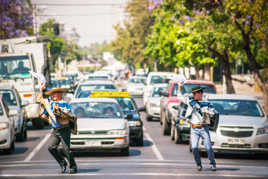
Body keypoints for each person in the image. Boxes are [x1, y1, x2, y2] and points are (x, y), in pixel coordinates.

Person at [38, 83, 77, 174]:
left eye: (56, 94)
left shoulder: (64, 103)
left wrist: (59, 110)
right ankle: (62, 162)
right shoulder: (50, 104)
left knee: (66, 149)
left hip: (64, 129)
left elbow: (68, 113)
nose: (54, 95)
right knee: (51, 147)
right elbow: (44, 110)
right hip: (55, 130)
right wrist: (43, 115)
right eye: (53, 94)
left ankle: (73, 167)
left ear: (59, 95)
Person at [186, 86, 216, 171]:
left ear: (200, 93)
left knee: (208, 147)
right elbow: (193, 105)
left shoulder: (207, 103)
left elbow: (213, 111)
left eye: (196, 93)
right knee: (194, 147)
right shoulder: (192, 102)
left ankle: (212, 164)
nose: (194, 95)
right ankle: (198, 164)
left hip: (204, 128)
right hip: (194, 129)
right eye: (193, 94)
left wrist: (209, 112)